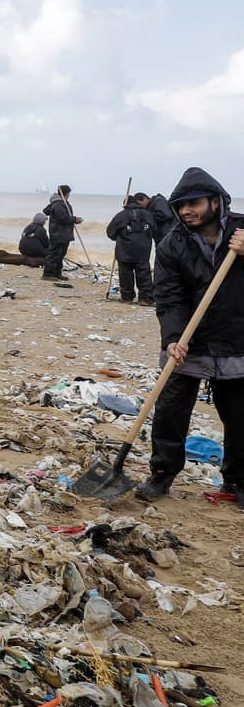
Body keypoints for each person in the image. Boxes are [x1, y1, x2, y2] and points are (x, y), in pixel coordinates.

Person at [135, 168, 244, 503]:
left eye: (193, 203)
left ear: (216, 201)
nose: (185, 211)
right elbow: (168, 297)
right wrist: (172, 338)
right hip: (188, 340)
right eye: (180, 205)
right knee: (170, 411)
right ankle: (162, 474)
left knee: (240, 416)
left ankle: (237, 482)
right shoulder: (172, 244)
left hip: (237, 339)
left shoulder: (242, 230)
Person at [105, 192, 155, 305]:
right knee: (144, 273)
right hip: (143, 250)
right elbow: (155, 230)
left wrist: (117, 237)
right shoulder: (148, 214)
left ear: (125, 204)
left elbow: (110, 232)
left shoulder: (121, 215)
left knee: (125, 274)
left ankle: (127, 297)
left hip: (124, 250)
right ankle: (145, 298)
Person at [42, 184, 83, 281]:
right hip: (58, 233)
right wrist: (75, 219)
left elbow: (46, 211)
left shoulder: (60, 203)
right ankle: (48, 274)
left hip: (62, 233)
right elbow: (63, 218)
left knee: (60, 254)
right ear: (67, 193)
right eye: (69, 193)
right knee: (54, 254)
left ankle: (57, 272)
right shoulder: (59, 204)